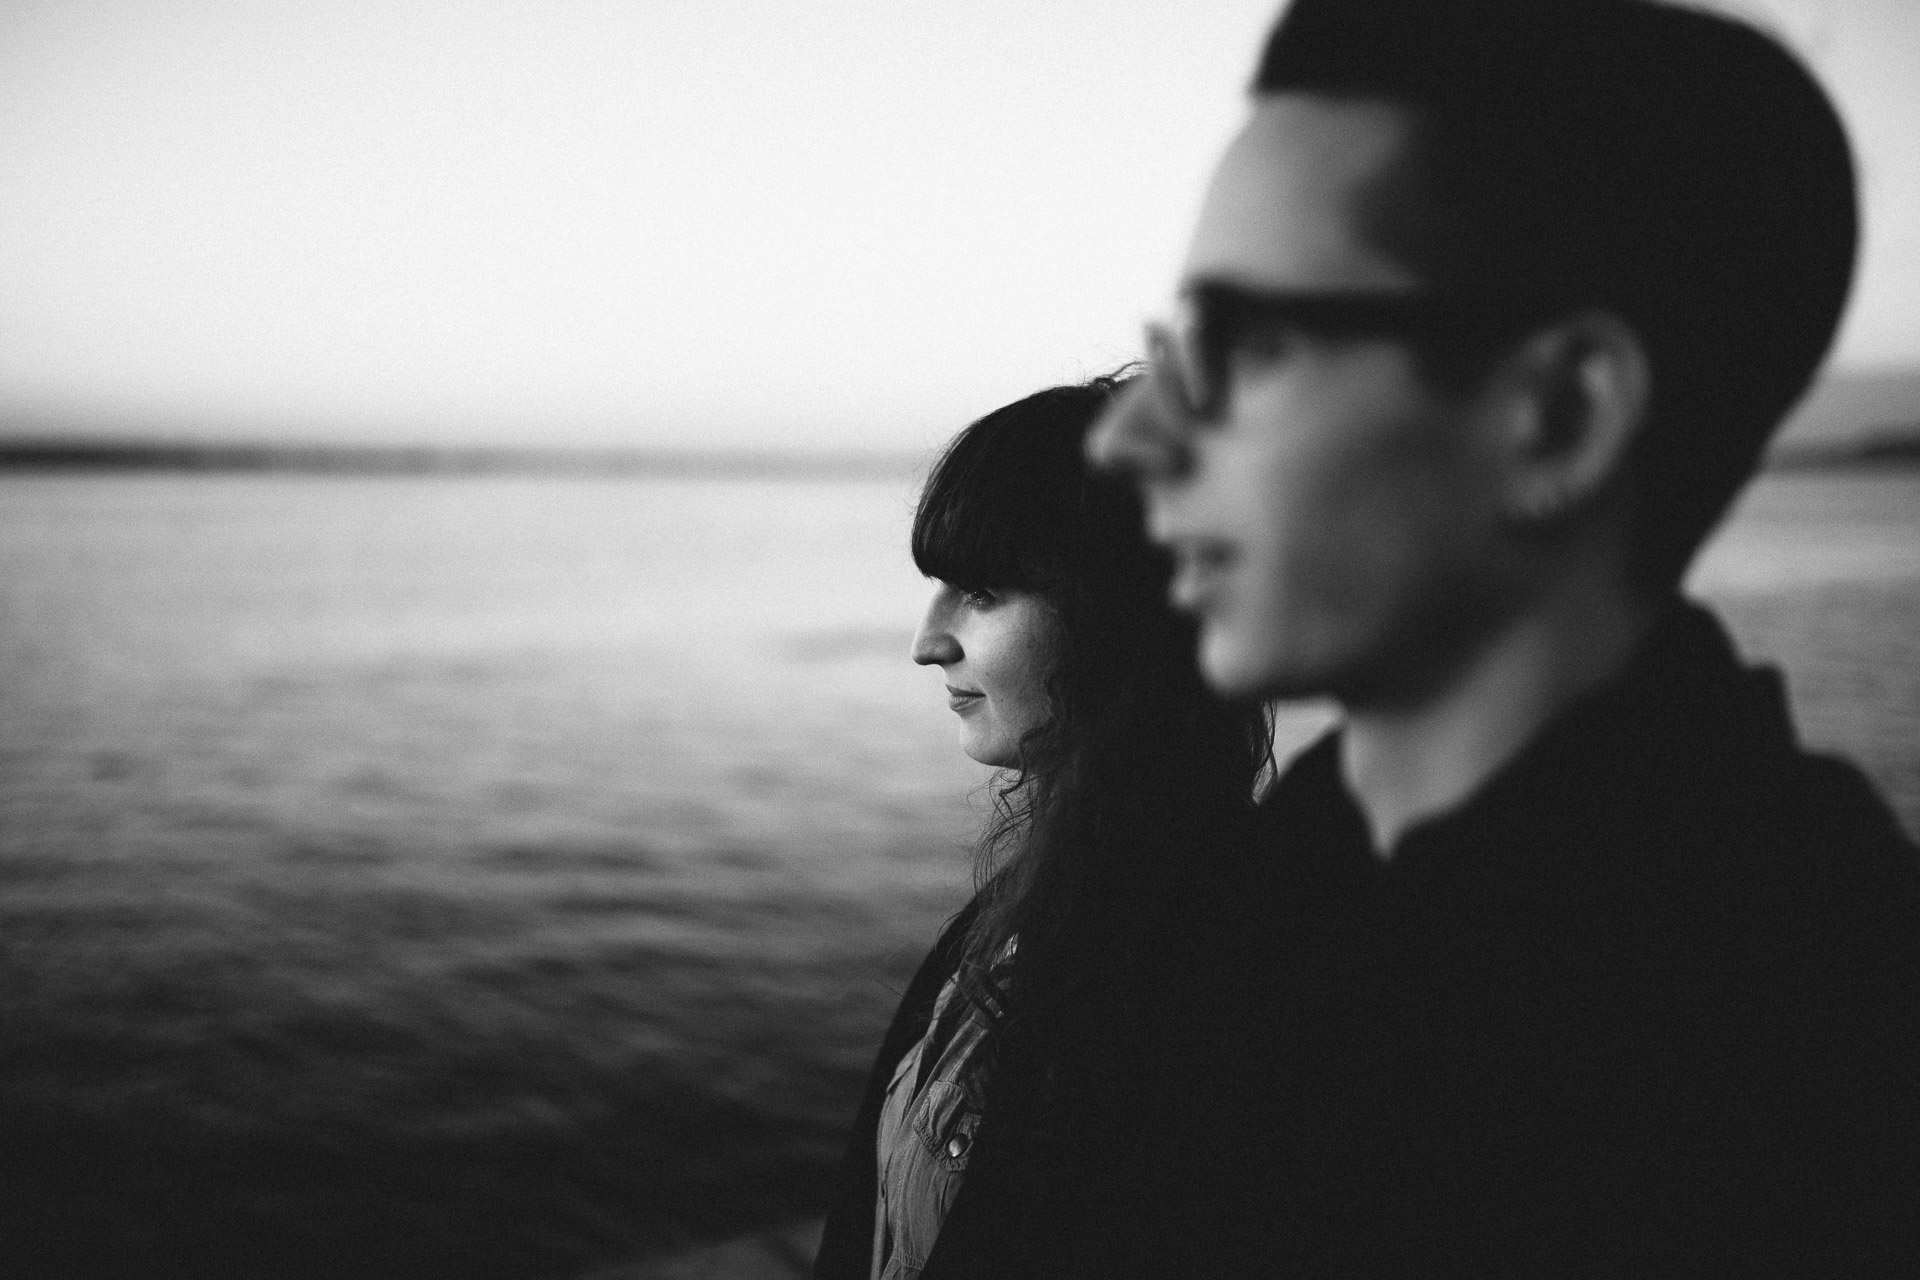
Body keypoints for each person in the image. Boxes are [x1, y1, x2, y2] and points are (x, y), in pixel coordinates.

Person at [1086, 0, 1920, 1270]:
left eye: (1247, 345)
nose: (1129, 440)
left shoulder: (1811, 1039)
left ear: (1562, 414)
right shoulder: (1253, 897)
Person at [813, 376, 1271, 1279]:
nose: (927, 641)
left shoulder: (1199, 962)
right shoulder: (1034, 911)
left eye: (983, 592)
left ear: (1131, 610)